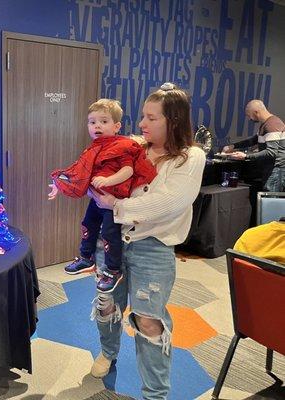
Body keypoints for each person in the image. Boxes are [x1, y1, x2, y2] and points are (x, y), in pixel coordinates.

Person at [87, 83, 206, 400]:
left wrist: (115, 205)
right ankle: (108, 351)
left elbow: (169, 203)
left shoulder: (190, 157)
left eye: (151, 117)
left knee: (149, 321)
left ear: (174, 121)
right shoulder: (133, 147)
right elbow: (94, 174)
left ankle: (155, 393)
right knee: (106, 305)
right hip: (111, 242)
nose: (142, 123)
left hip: (153, 248)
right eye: (143, 116)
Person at [48, 99, 157, 292]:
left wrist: (108, 181)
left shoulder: (122, 146)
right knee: (87, 224)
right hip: (97, 198)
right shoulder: (93, 148)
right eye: (92, 122)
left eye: (104, 121)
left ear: (116, 126)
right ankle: (86, 257)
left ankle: (114, 270)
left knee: (109, 232)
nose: (97, 125)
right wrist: (59, 184)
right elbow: (79, 171)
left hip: (114, 200)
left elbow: (128, 171)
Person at [222, 99, 285, 192]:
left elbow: (271, 152)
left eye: (249, 115)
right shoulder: (266, 124)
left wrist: (246, 156)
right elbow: (254, 140)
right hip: (272, 170)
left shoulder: (271, 125)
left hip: (275, 171)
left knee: (271, 202)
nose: (249, 118)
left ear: (256, 112)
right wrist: (233, 146)